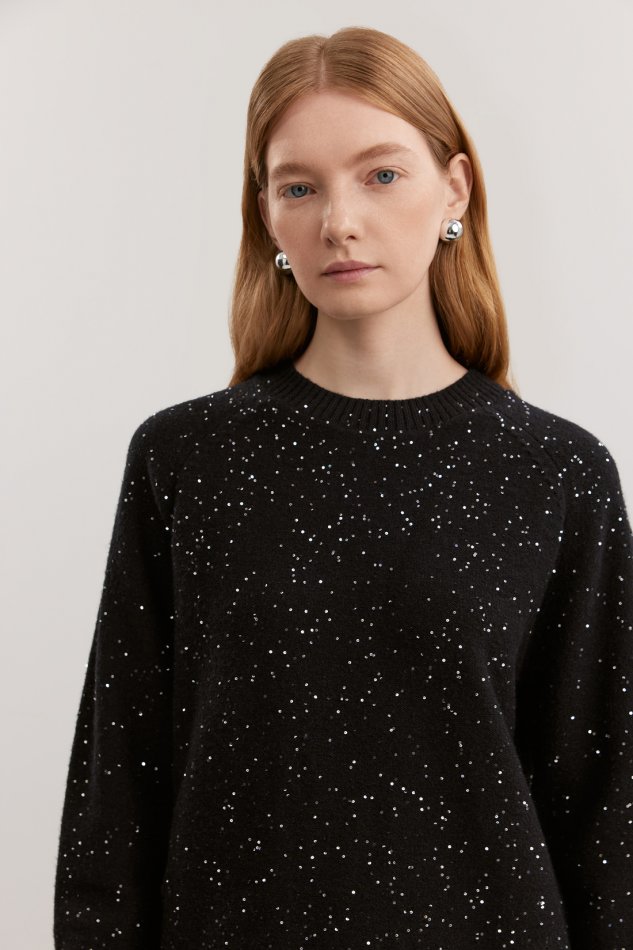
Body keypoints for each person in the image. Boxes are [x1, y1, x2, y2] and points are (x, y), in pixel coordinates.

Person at [54, 25, 633, 949]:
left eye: (381, 174)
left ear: (454, 188)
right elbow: (117, 792)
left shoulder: (555, 472)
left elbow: (604, 816)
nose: (339, 221)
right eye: (299, 187)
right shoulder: (186, 460)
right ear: (265, 214)